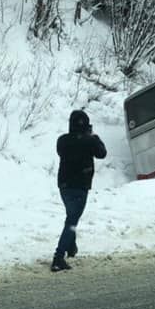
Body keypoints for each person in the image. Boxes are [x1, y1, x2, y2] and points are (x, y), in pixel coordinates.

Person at [52, 109, 106, 272]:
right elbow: (102, 153)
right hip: (80, 186)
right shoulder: (90, 141)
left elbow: (63, 150)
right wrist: (94, 136)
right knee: (72, 221)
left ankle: (71, 246)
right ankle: (58, 257)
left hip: (64, 186)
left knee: (71, 216)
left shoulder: (62, 140)